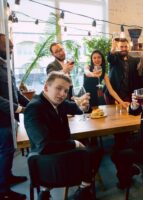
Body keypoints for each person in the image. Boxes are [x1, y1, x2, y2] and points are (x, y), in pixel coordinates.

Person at [24, 71, 102, 200]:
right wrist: (74, 143)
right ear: (46, 87)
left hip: (57, 157)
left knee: (90, 149)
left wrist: (84, 106)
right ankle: (83, 188)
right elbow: (45, 146)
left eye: (66, 91)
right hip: (48, 163)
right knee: (96, 151)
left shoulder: (57, 102)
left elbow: (76, 109)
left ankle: (45, 191)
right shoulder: (34, 108)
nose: (62, 94)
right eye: (58, 88)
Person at [0, 33, 28, 200]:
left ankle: (8, 176)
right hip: (2, 120)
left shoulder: (5, 65)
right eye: (8, 46)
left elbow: (15, 92)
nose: (12, 49)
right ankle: (3, 191)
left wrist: (31, 104)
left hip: (10, 118)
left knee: (9, 151)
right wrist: (18, 109)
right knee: (5, 151)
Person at [105, 38, 139, 104]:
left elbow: (135, 78)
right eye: (121, 47)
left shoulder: (133, 60)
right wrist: (112, 50)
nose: (124, 49)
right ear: (118, 47)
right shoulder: (115, 57)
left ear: (128, 47)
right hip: (113, 95)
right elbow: (109, 58)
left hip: (127, 95)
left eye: (126, 46)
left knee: (128, 113)